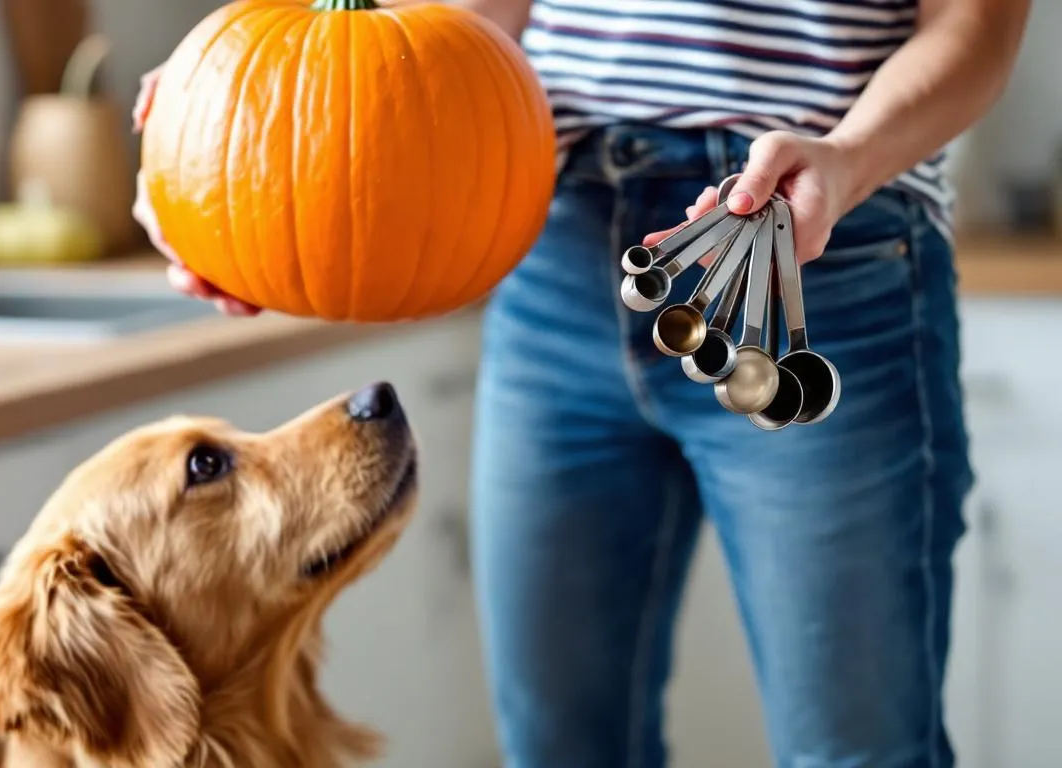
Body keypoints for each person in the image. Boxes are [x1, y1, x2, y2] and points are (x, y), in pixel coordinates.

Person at [131, 0, 1031, 765]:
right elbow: (475, 24)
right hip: (549, 240)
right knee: (558, 744)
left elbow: (976, 30)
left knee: (858, 749)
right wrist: (223, 142)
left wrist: (847, 157)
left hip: (815, 250)